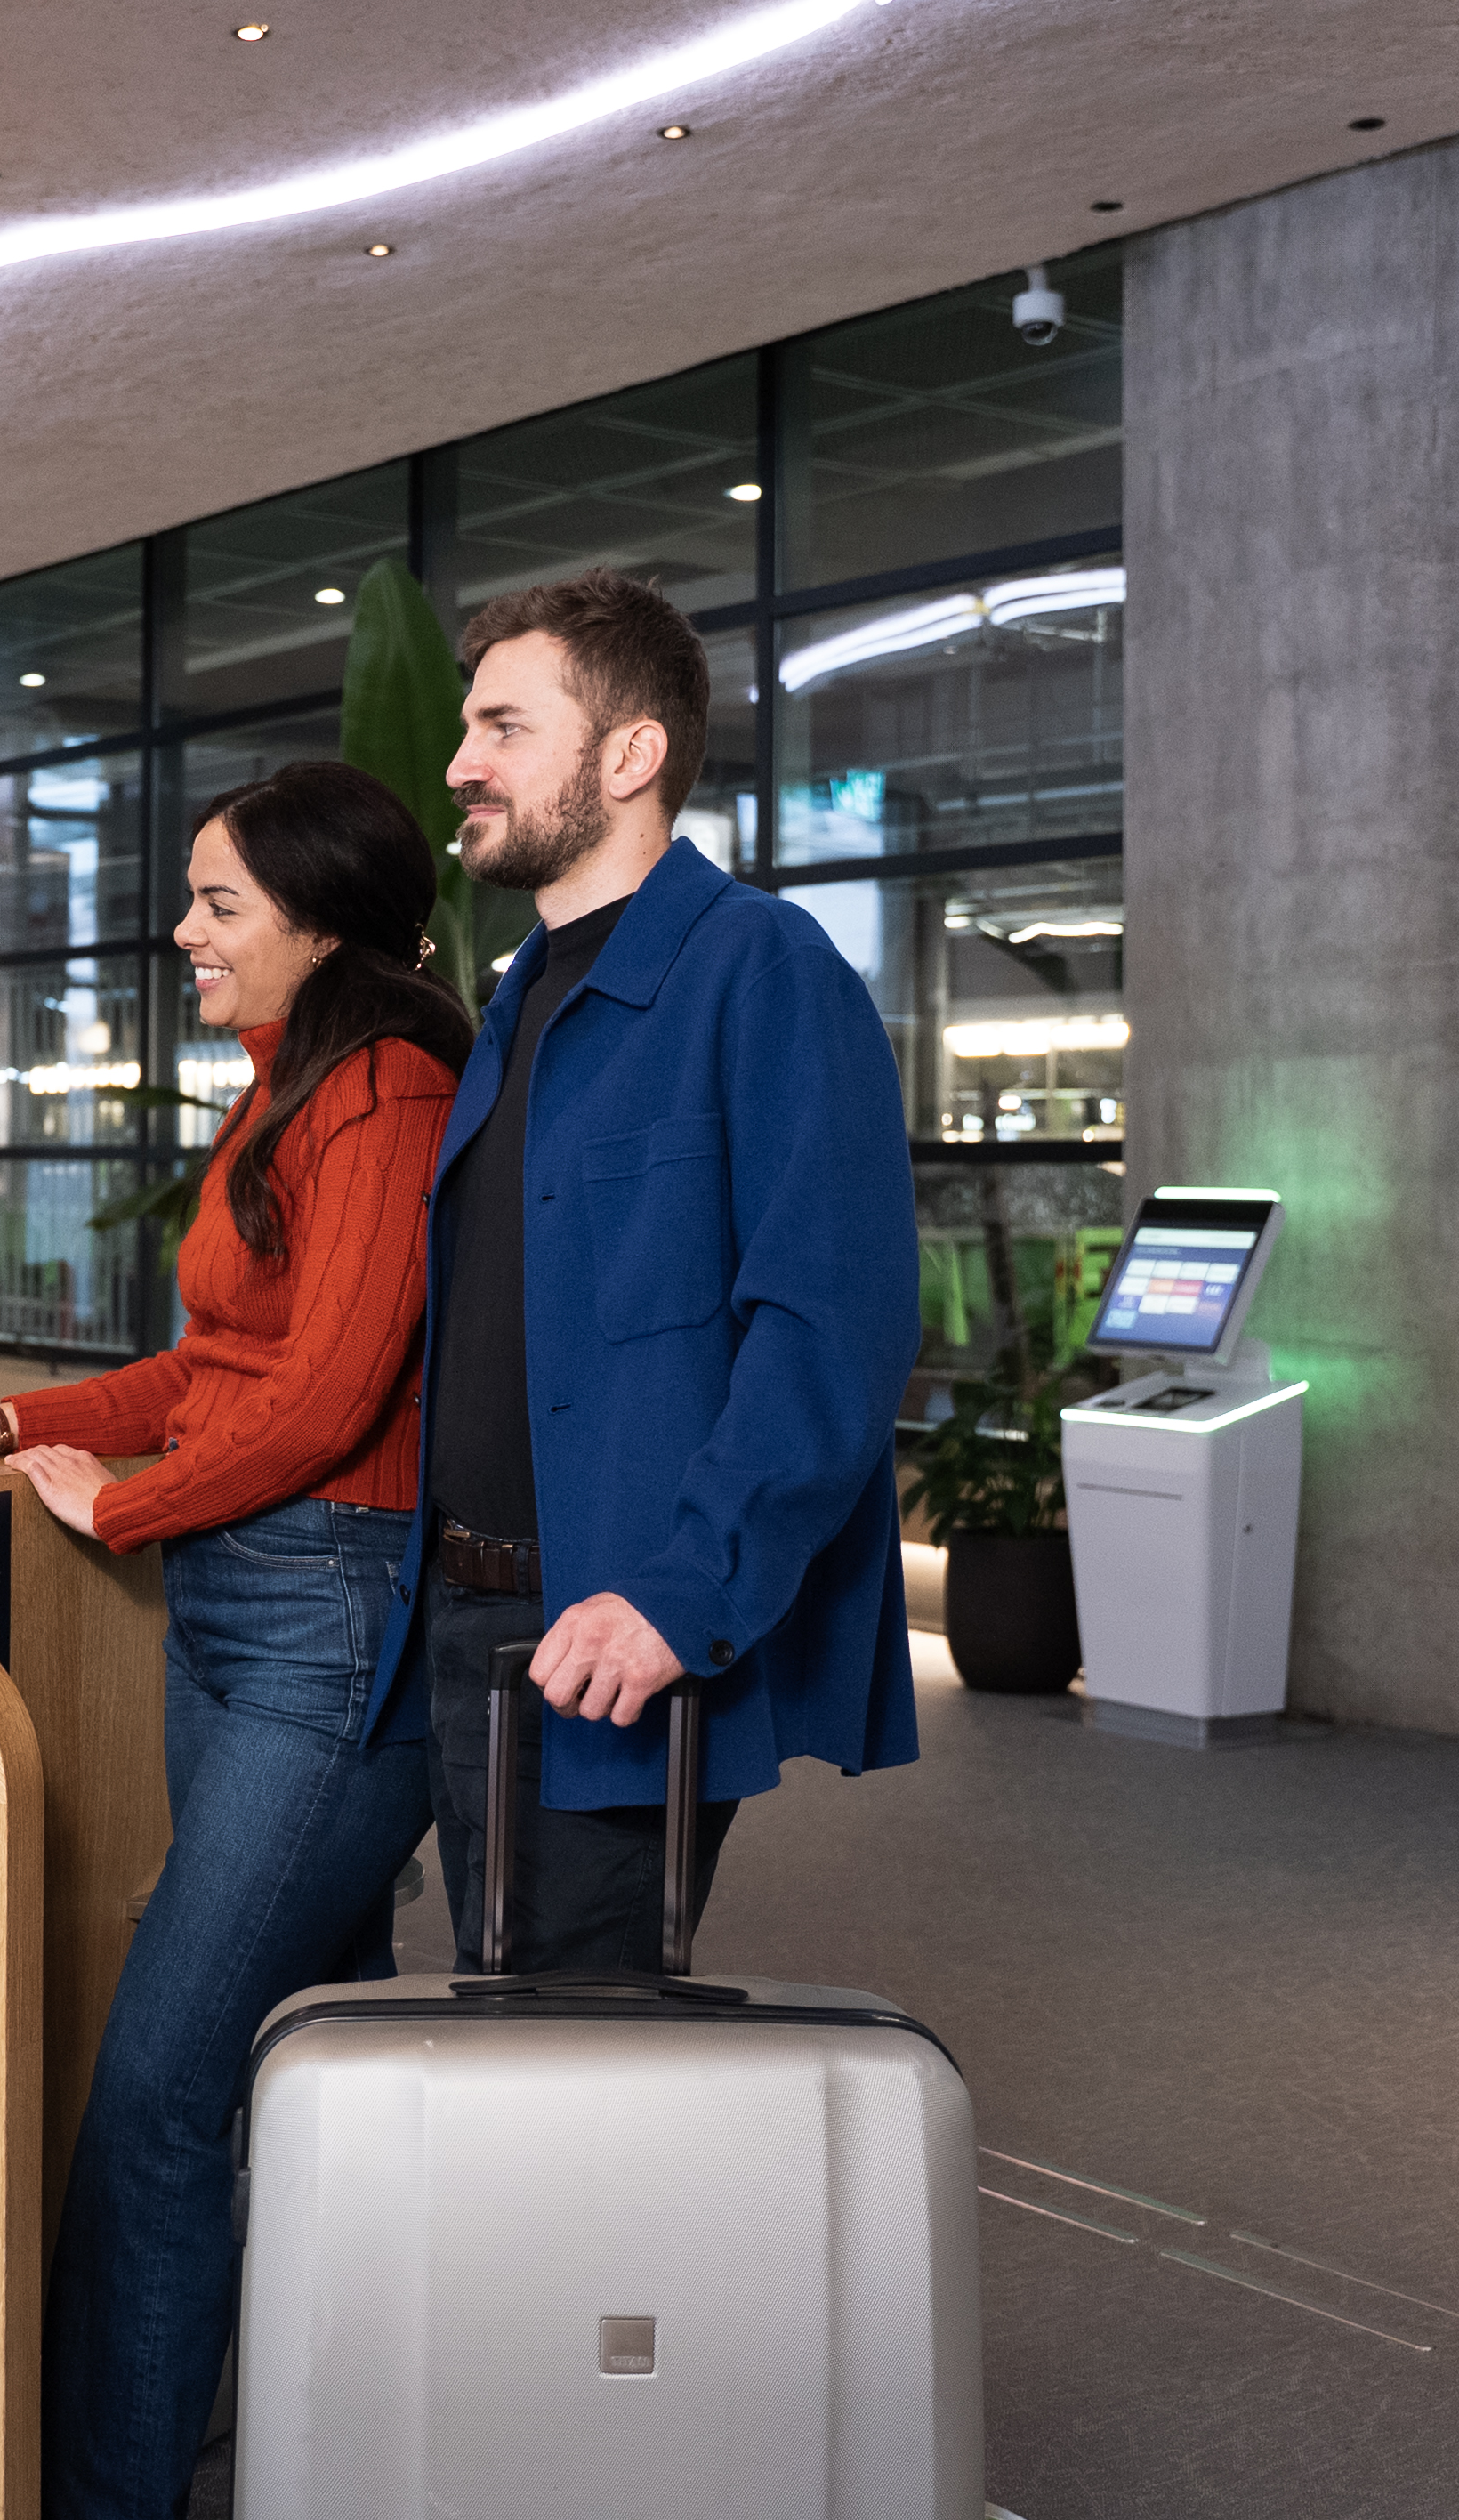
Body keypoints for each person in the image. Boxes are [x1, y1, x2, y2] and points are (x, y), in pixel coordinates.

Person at [0, 759, 471, 2520]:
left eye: (216, 903)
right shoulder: (291, 1089)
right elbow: (214, 1367)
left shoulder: (388, 1089)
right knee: (276, 2063)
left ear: (320, 921)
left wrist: (129, 1502)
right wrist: (12, 1430)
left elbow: (332, 1390)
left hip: (329, 1602)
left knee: (164, 2092)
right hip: (247, 1603)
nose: (179, 932)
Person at [388, 566, 921, 1974]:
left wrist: (684, 1595)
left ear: (630, 755)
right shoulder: (522, 993)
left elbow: (830, 1328)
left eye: (505, 727)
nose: (461, 765)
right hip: (467, 1615)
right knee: (500, 2004)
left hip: (612, 1626)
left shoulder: (764, 969)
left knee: (574, 2058)